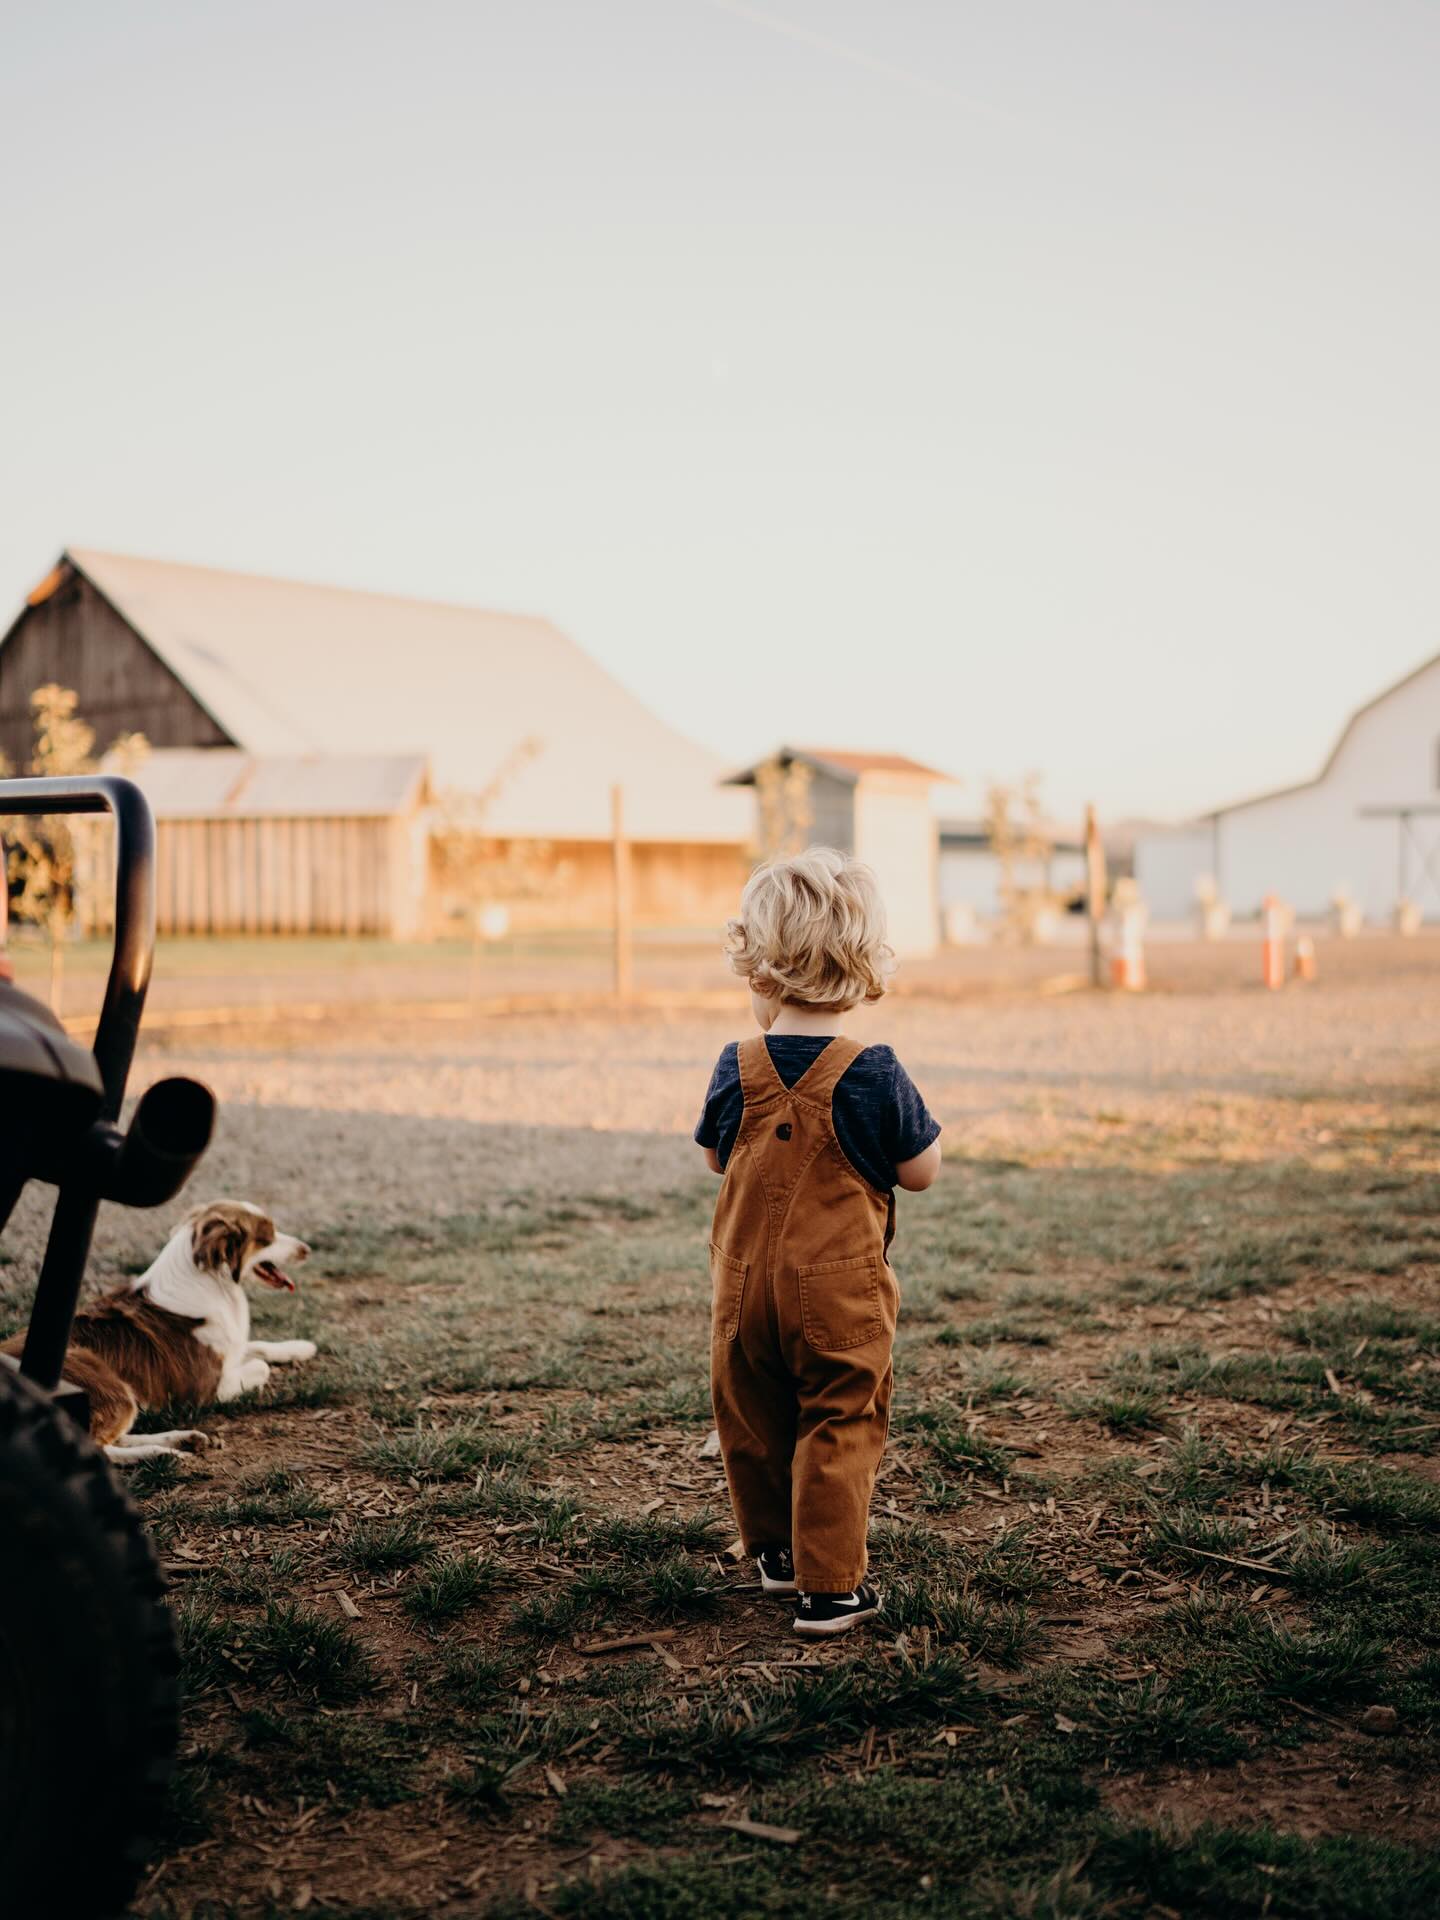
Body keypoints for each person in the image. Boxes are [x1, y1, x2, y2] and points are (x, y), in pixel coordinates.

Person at [695, 846, 941, 1636]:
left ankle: (774, 1554)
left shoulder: (736, 1065)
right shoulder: (874, 1072)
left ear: (759, 972)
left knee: (753, 1416)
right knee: (840, 1416)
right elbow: (921, 1172)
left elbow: (715, 1158)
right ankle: (829, 1589)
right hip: (839, 1295)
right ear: (861, 967)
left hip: (742, 1292)